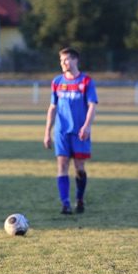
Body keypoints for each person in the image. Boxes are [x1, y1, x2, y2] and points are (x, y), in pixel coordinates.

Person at [43, 47, 98, 214]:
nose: (63, 63)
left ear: (75, 60)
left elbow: (92, 105)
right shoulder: (57, 82)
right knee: (62, 165)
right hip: (61, 132)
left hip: (80, 132)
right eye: (61, 60)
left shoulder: (86, 81)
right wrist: (47, 132)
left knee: (79, 168)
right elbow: (52, 108)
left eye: (66, 59)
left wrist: (87, 126)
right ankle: (65, 204)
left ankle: (80, 199)